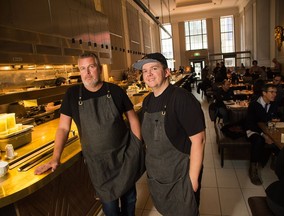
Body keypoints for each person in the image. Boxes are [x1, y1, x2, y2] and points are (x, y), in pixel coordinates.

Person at [35, 52, 145, 216]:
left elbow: (133, 118)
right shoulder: (72, 95)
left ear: (99, 69)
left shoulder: (115, 91)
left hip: (124, 157)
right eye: (83, 68)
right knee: (110, 208)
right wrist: (55, 158)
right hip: (98, 164)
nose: (87, 73)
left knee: (130, 201)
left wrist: (136, 146)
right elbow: (63, 128)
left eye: (91, 67)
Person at [133, 53, 206, 216]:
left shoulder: (181, 98)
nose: (149, 74)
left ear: (167, 72)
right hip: (158, 178)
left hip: (180, 177)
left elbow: (199, 140)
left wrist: (192, 181)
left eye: (154, 68)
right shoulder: (147, 101)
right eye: (145, 71)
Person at [245, 84, 279, 185]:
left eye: (275, 92)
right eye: (271, 92)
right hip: (253, 129)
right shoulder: (254, 104)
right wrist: (263, 135)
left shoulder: (274, 104)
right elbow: (250, 124)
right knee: (258, 140)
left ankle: (276, 160)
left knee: (279, 139)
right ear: (264, 93)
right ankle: (253, 168)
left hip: (268, 130)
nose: (274, 94)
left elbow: (272, 118)